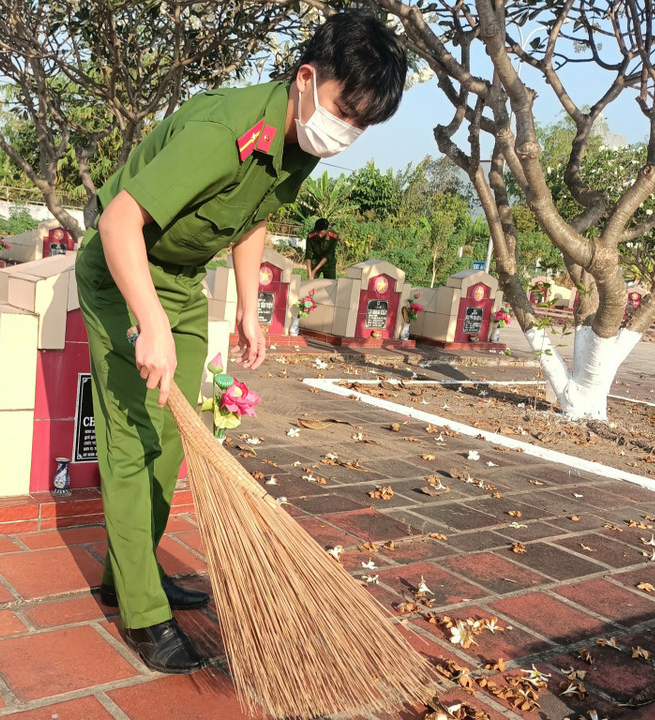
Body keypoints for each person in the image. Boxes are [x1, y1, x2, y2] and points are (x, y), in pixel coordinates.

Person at [74, 11, 407, 674]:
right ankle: (141, 612)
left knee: (171, 441)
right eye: (345, 110)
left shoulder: (296, 146)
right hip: (123, 275)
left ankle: (125, 572)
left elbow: (253, 220)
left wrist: (251, 310)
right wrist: (151, 321)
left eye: (361, 124)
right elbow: (117, 222)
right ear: (307, 78)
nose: (346, 133)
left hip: (180, 282)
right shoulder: (225, 128)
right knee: (131, 440)